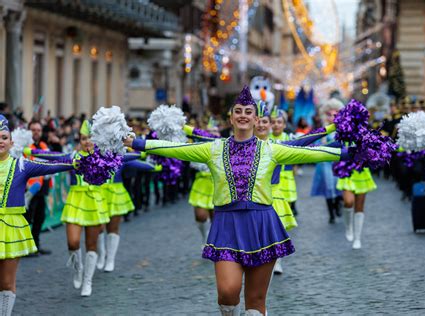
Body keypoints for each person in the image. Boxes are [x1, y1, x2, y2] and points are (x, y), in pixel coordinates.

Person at [124, 86, 349, 315]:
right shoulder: (213, 148)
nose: (243, 115)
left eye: (248, 111)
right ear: (231, 117)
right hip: (226, 225)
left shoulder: (272, 149)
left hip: (262, 225)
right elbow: (176, 148)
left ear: (256, 118)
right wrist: (137, 143)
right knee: (228, 294)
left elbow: (313, 153)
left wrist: (354, 151)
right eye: (238, 111)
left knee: (255, 302)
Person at [0, 115, 77, 316]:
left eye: (4, 137)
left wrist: (76, 161)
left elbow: (52, 166)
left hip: (11, 227)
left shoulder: (22, 165)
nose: (0, 141)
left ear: (11, 141)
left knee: (6, 282)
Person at [26, 120, 109, 297]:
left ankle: (88, 281)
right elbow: (52, 156)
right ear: (79, 140)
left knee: (91, 244)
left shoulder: (103, 158)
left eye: (90, 138)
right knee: (72, 242)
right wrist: (29, 151)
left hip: (94, 202)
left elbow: (125, 158)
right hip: (75, 201)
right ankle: (78, 269)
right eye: (83, 138)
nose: (87, 141)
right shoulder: (72, 157)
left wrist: (140, 151)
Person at [310, 99, 344, 224]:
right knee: (328, 188)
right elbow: (315, 144)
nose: (332, 117)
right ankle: (331, 214)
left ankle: (338, 203)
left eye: (335, 115)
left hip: (339, 162)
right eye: (329, 115)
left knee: (339, 186)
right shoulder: (322, 130)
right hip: (325, 163)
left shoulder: (344, 129)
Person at [24, 120, 53, 255]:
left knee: (40, 217)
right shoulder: (24, 146)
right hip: (28, 189)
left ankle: (35, 245)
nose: (36, 132)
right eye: (33, 129)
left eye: (38, 130)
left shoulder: (43, 145)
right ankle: (24, 247)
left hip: (42, 188)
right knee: (28, 218)